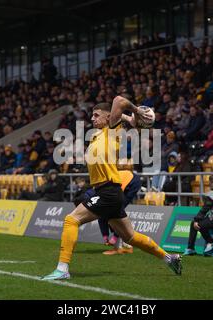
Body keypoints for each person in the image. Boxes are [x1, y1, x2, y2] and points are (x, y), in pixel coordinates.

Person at [42, 97, 182, 281]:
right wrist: (129, 118)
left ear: (109, 117)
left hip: (108, 191)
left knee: (71, 220)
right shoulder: (98, 134)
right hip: (107, 192)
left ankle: (62, 269)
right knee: (130, 237)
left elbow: (117, 100)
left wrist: (136, 111)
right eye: (92, 115)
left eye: (96, 115)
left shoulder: (112, 130)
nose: (92, 118)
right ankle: (169, 258)